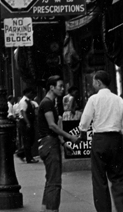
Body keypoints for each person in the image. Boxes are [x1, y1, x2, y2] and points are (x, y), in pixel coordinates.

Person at [79, 70, 123, 212]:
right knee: (118, 178)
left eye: (94, 81)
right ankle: (122, 209)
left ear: (99, 82)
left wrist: (82, 134)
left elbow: (84, 123)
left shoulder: (93, 99)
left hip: (100, 140)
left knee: (99, 180)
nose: (93, 84)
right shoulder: (118, 99)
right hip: (116, 140)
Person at [38, 75, 81, 212]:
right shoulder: (47, 103)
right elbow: (52, 125)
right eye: (60, 86)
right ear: (51, 87)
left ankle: (46, 208)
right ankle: (51, 209)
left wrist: (63, 143)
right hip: (50, 143)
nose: (63, 89)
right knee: (55, 182)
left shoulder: (50, 103)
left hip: (48, 143)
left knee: (51, 179)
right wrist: (69, 137)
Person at [17, 88, 38, 163]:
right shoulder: (23, 101)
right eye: (31, 93)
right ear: (27, 93)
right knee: (27, 140)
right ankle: (29, 158)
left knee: (31, 139)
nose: (32, 95)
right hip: (25, 122)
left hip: (29, 121)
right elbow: (23, 112)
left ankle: (21, 153)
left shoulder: (29, 101)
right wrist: (27, 123)